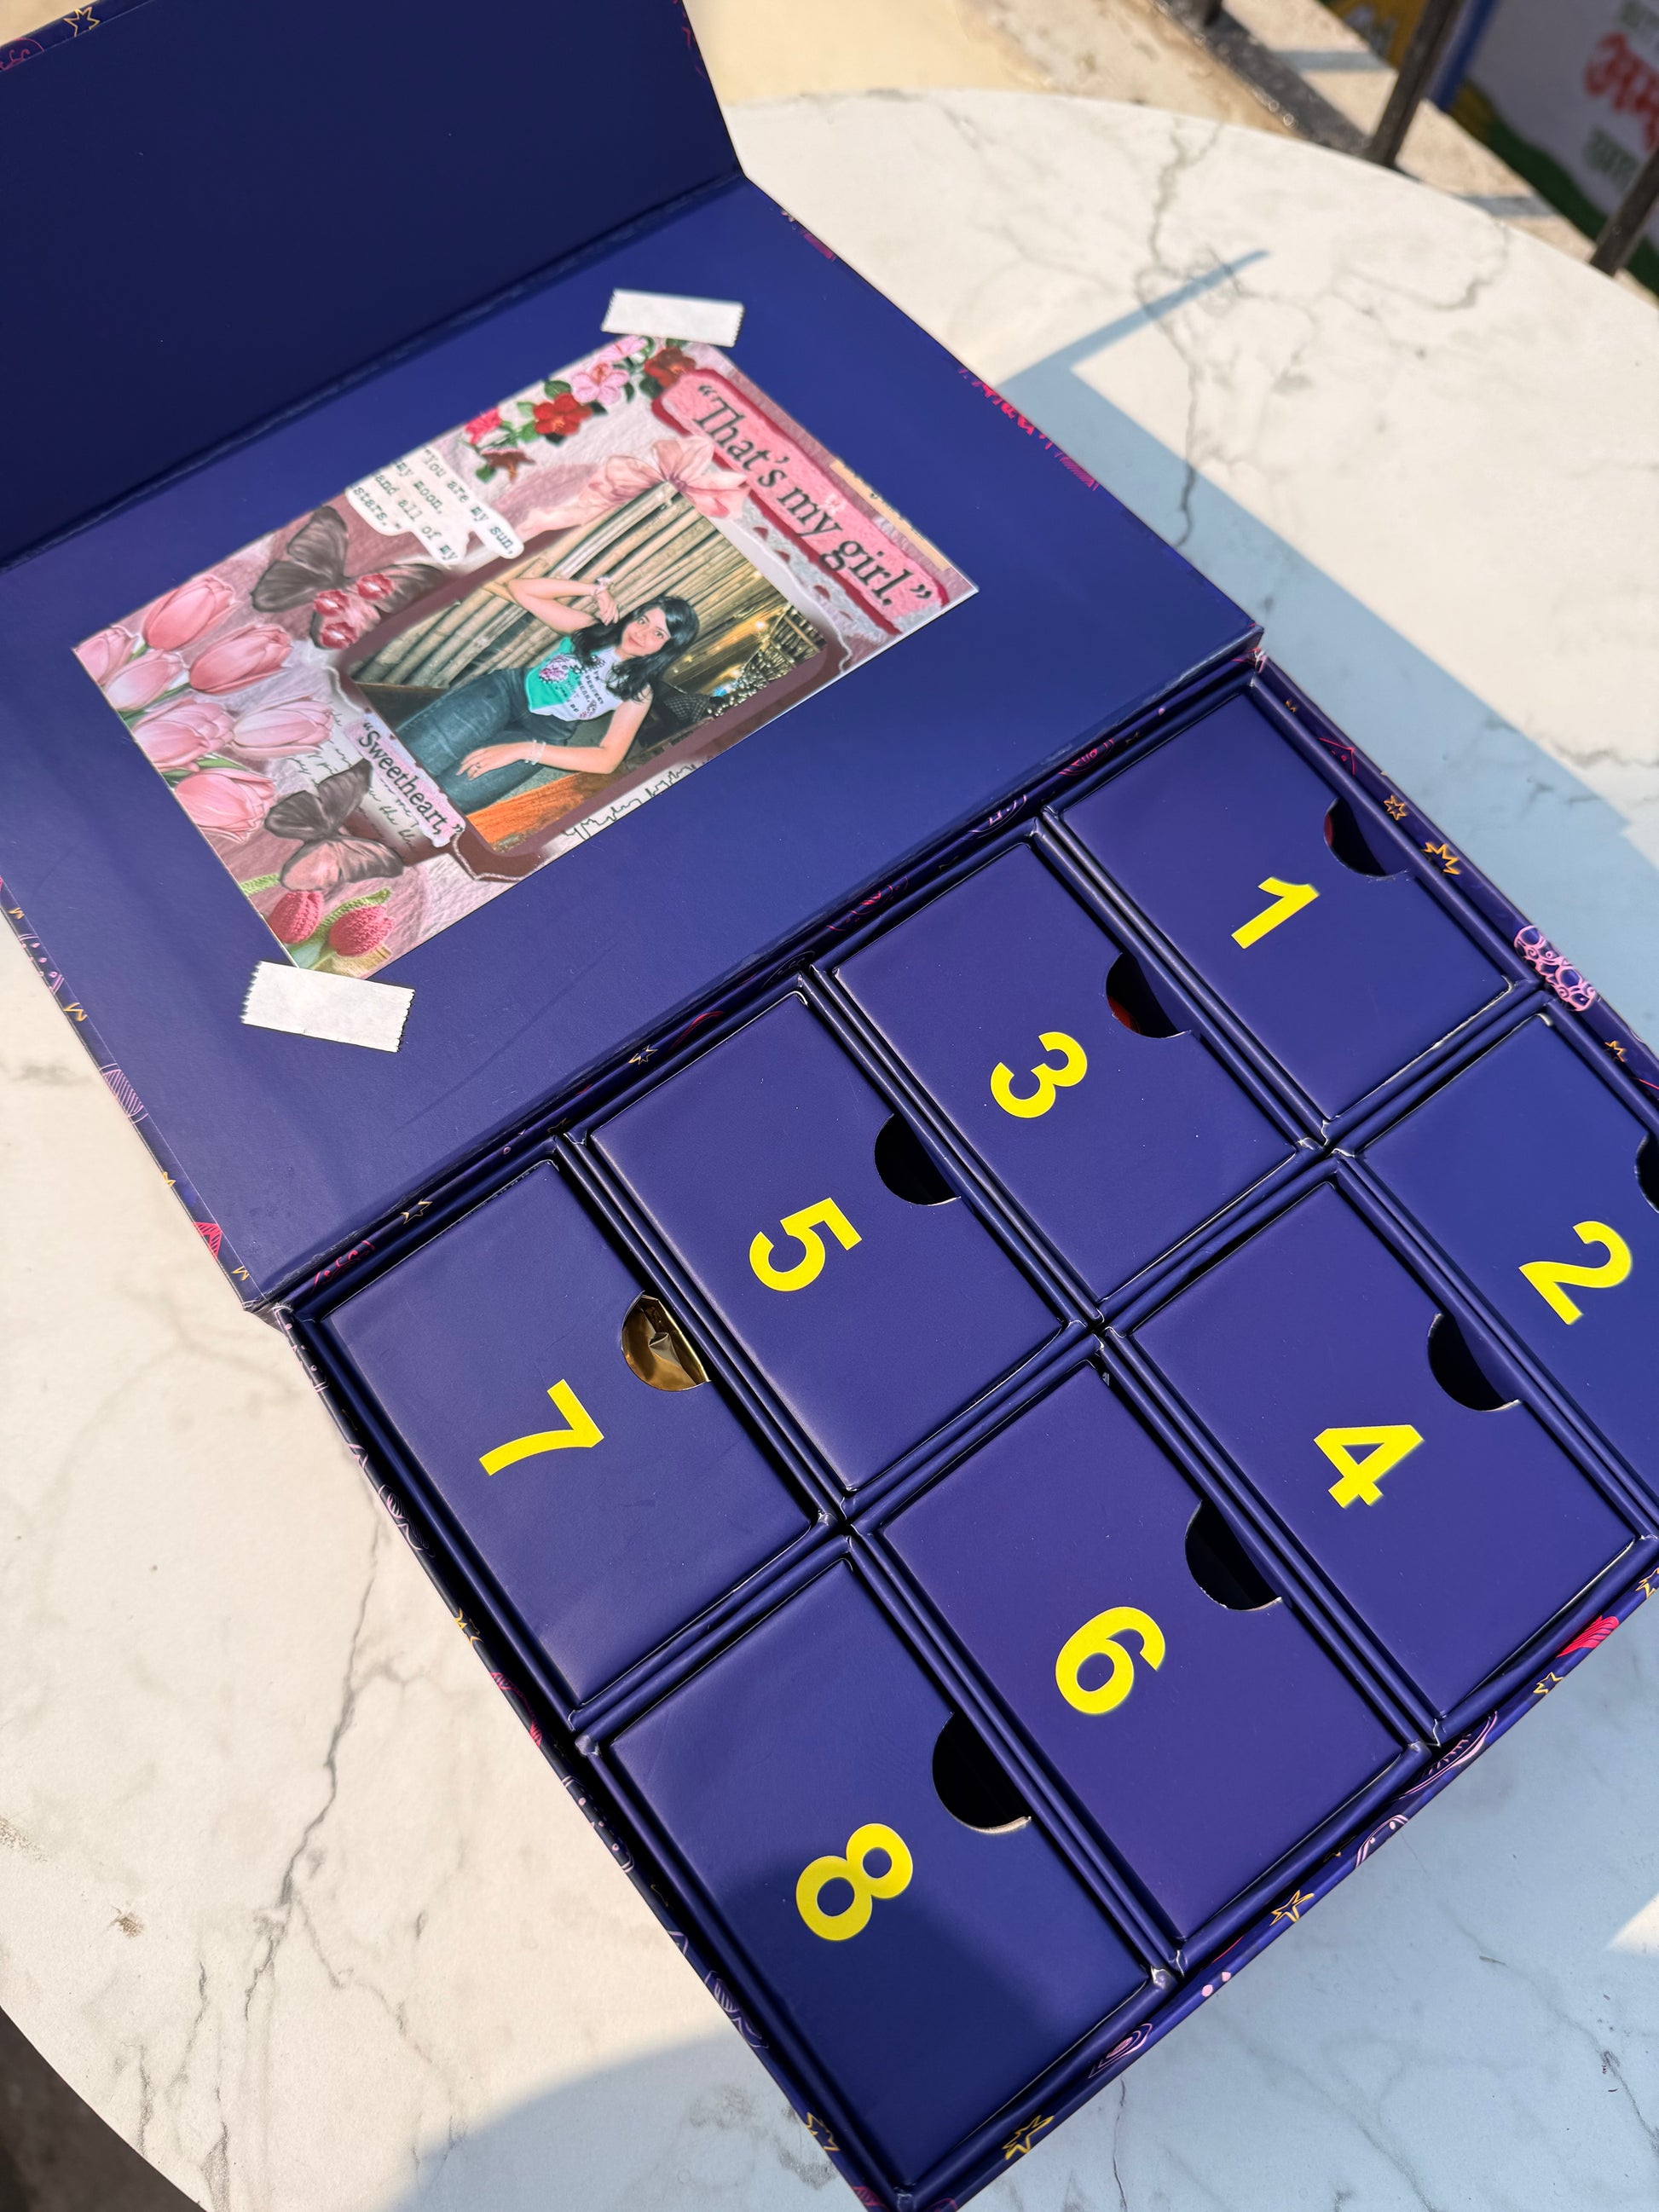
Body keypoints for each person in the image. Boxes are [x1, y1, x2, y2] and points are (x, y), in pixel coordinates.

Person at [396, 574, 700, 814]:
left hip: (544, 733)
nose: (642, 633)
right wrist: (593, 591)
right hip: (507, 692)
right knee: (412, 757)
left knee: (448, 799)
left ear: (667, 647)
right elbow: (520, 589)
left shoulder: (638, 692)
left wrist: (525, 751)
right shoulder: (592, 629)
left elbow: (607, 760)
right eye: (643, 620)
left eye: (658, 634)